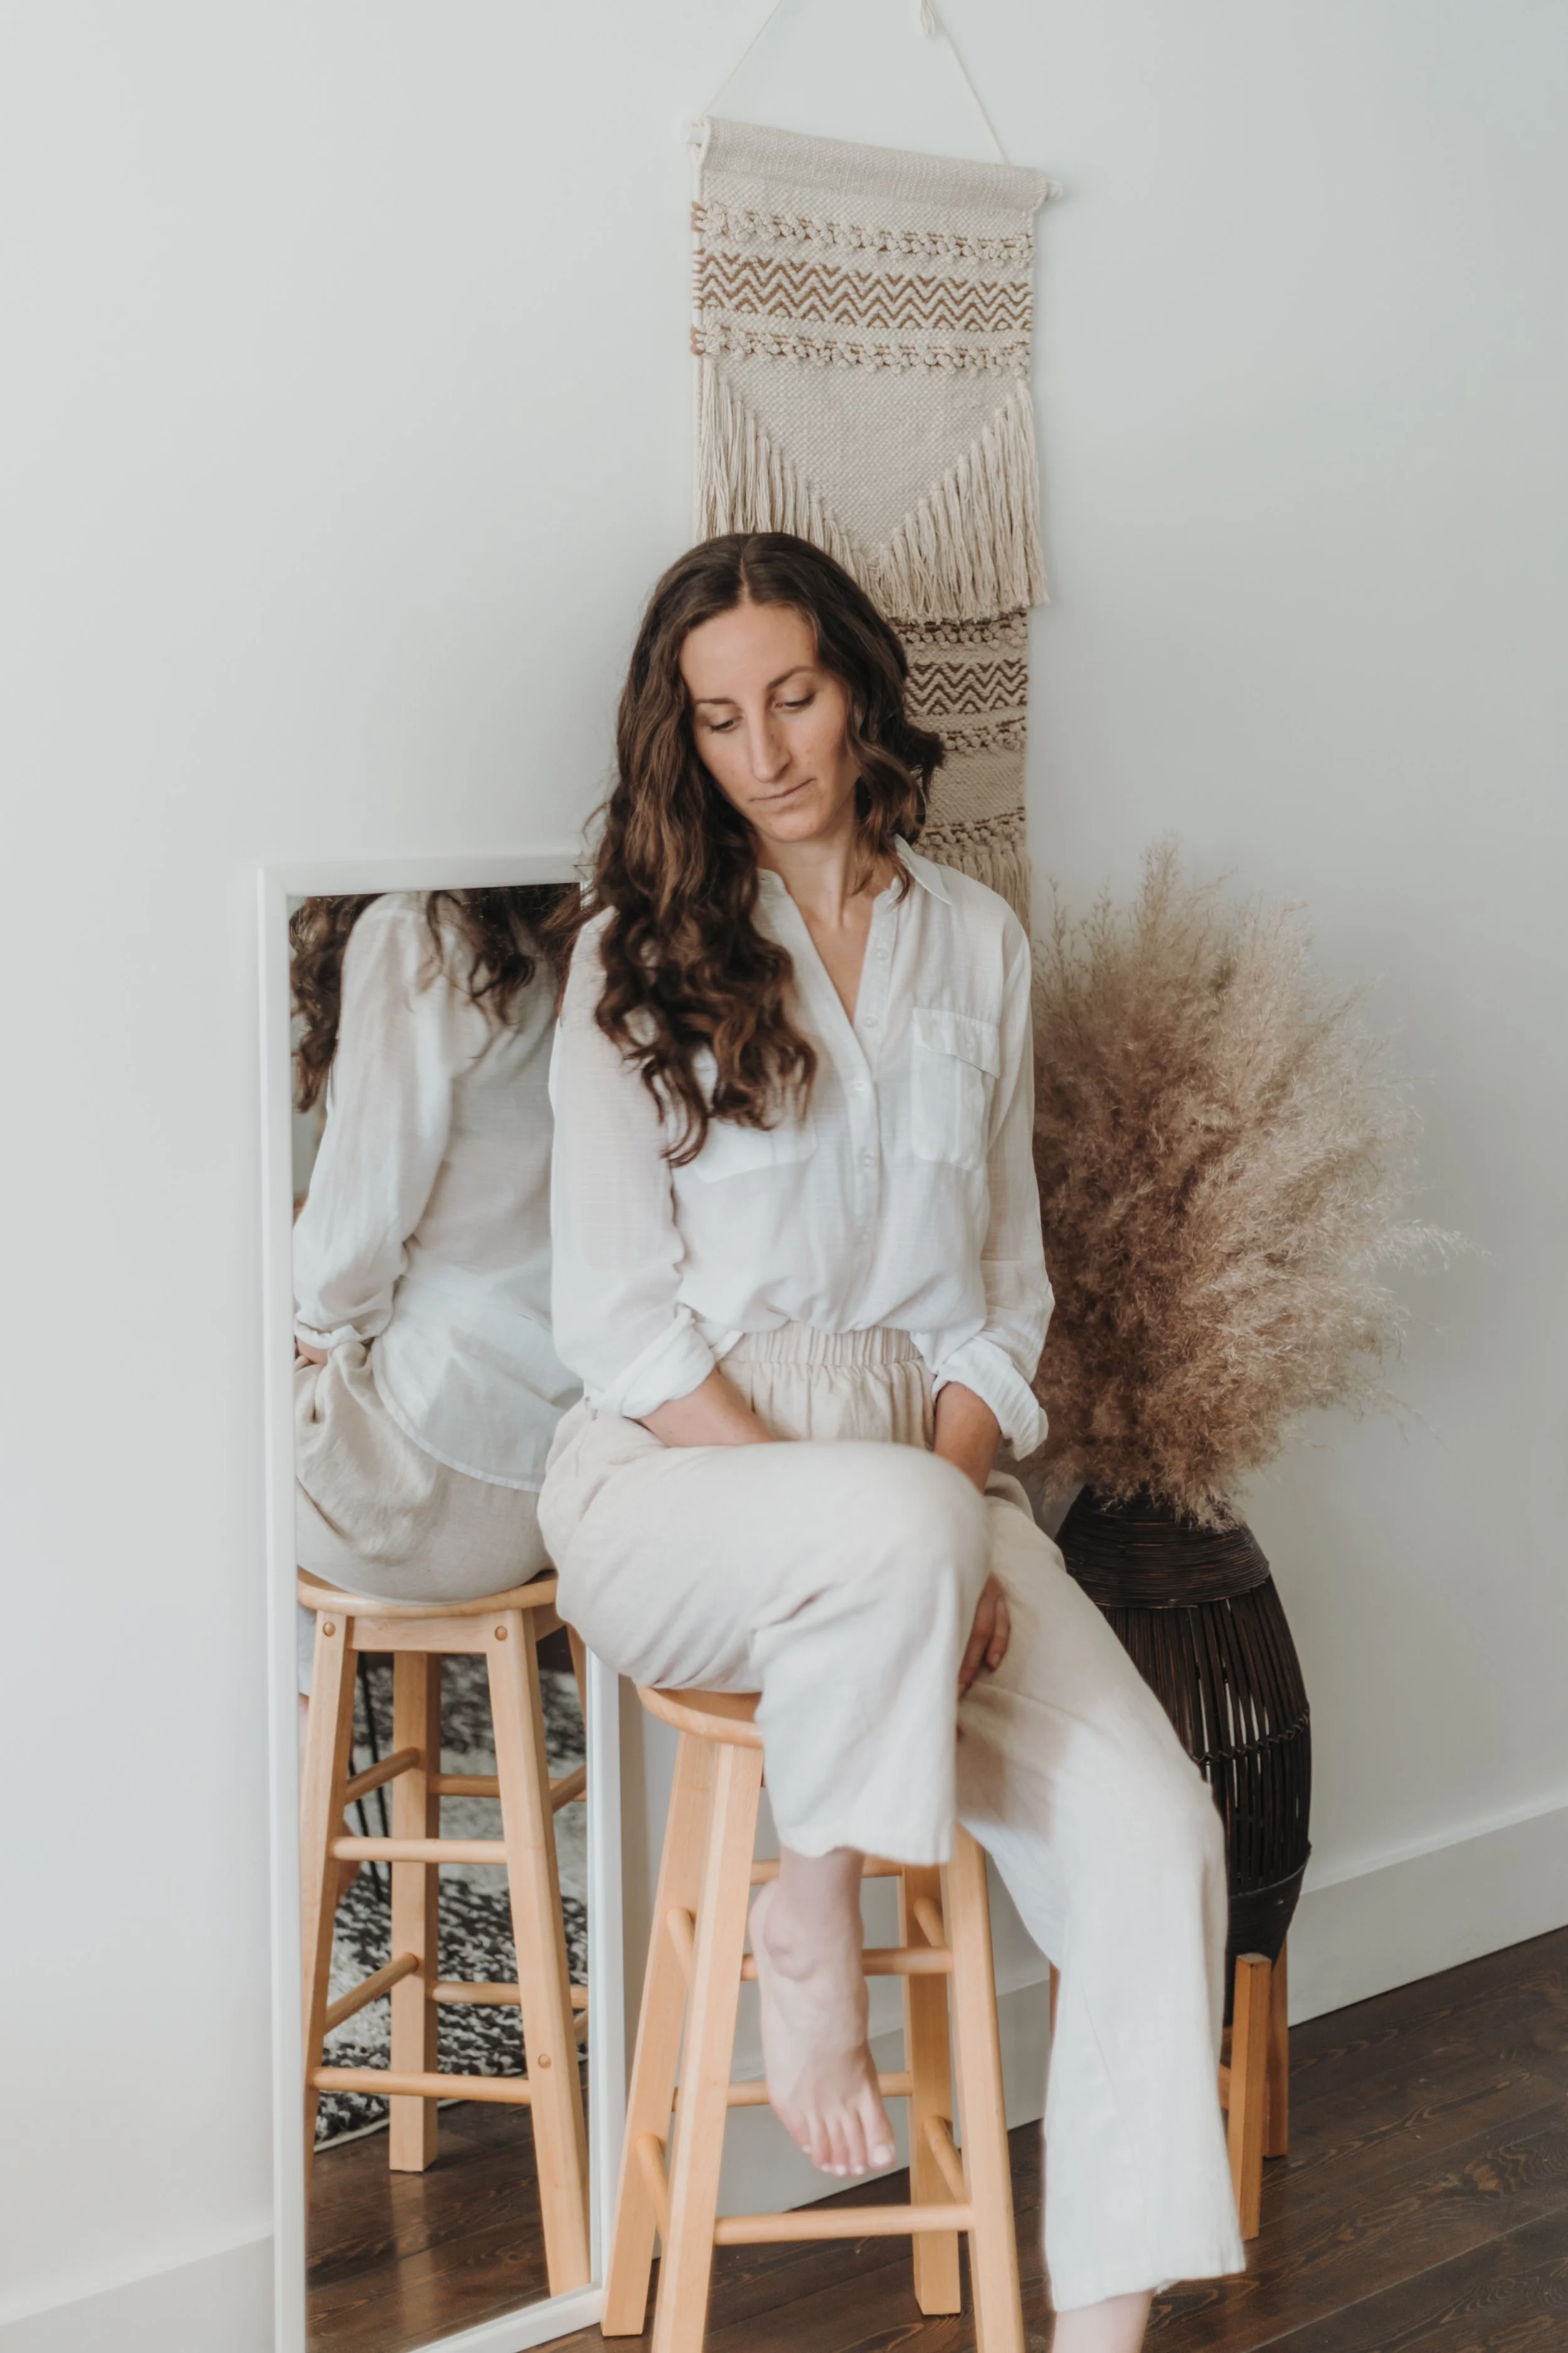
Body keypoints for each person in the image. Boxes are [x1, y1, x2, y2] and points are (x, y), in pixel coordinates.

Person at [539, 533, 1245, 2349]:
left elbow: (1003, 1294)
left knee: (1159, 1829)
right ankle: (809, 1911)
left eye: (793, 695)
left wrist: (932, 1514)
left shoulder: (977, 943)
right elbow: (619, 1321)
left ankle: (1099, 2332)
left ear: (857, 689)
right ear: (679, 741)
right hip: (678, 1481)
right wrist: (877, 1527)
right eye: (718, 718)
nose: (765, 748)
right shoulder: (632, 954)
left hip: (931, 1475)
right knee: (891, 1536)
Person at [291, 888, 577, 1701]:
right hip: (557, 1475)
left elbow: (346, 1257)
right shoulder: (565, 930)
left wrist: (307, 1326)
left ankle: (301, 1749)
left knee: (179, 1445)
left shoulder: (412, 929)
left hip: (424, 1479)